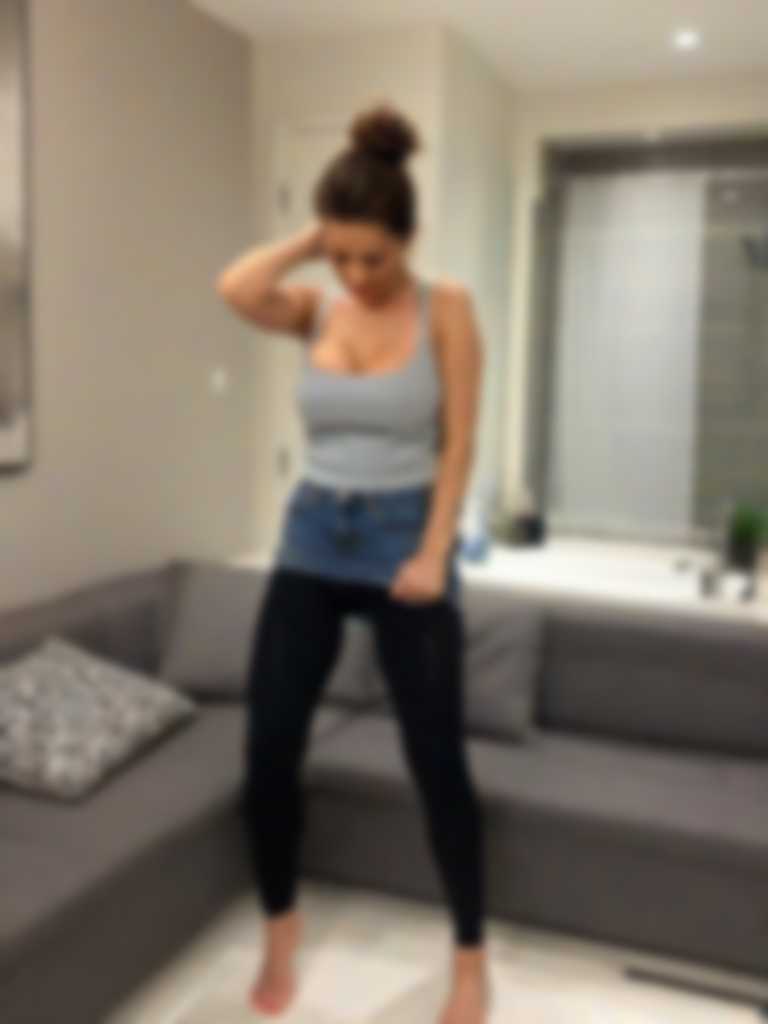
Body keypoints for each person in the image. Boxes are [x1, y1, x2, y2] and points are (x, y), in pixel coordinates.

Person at [216, 101, 489, 1024]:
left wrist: (434, 552)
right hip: (311, 541)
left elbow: (458, 443)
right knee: (268, 747)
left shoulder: (446, 307)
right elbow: (234, 287)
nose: (358, 276)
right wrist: (315, 235)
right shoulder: (312, 306)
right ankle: (281, 928)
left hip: (403, 540)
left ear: (408, 241)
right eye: (342, 257)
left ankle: (468, 956)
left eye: (374, 257)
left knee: (436, 759)